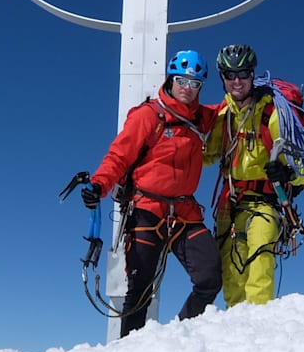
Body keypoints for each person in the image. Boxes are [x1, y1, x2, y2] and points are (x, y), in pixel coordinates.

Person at [81, 49, 222, 336]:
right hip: (146, 210)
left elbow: (230, 108)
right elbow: (119, 156)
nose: (188, 89)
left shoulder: (202, 119)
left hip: (184, 213)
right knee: (140, 289)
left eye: (195, 84)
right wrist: (99, 185)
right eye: (182, 81)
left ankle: (177, 340)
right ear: (171, 79)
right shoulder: (148, 116)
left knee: (210, 277)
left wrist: (255, 89)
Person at [205, 43, 304, 307]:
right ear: (222, 78)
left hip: (265, 201)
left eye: (243, 73)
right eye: (230, 75)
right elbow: (207, 156)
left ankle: (258, 328)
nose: (237, 81)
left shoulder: (272, 114)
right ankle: (236, 330)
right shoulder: (222, 116)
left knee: (260, 261)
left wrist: (287, 172)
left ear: (253, 75)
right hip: (231, 203)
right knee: (231, 272)